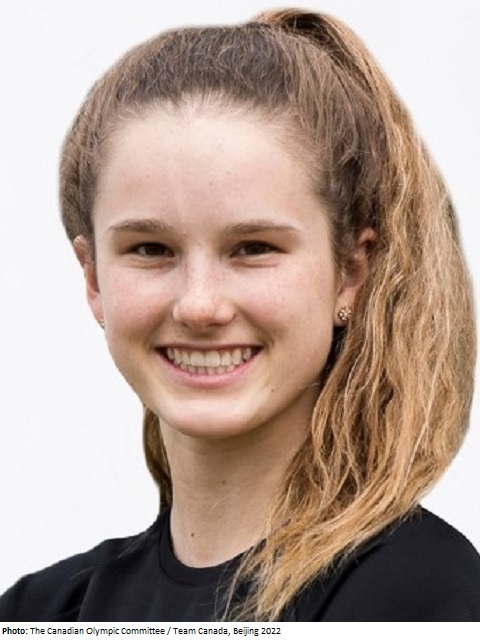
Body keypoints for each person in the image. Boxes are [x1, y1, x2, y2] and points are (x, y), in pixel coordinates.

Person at [1, 7, 480, 622]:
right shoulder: (43, 611)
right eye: (151, 249)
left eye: (253, 248)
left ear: (351, 272)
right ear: (93, 278)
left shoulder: (424, 597)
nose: (200, 305)